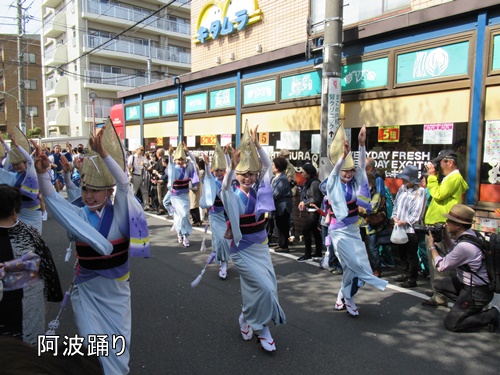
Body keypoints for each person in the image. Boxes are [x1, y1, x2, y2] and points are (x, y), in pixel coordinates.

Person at [34, 122, 150, 374]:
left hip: (117, 292)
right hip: (86, 292)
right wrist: (43, 175)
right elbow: (53, 200)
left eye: (96, 191)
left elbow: (124, 184)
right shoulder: (77, 215)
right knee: (94, 346)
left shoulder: (120, 212)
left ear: (108, 192)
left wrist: (105, 154)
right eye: (86, 189)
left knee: (118, 348)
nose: (88, 195)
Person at [220, 124, 286, 352]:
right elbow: (224, 187)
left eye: (252, 173)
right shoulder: (232, 193)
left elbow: (268, 165)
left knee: (264, 288)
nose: (248, 177)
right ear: (237, 175)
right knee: (264, 288)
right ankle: (262, 328)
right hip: (240, 250)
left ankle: (246, 317)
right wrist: (230, 166)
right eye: (243, 173)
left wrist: (258, 146)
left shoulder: (261, 191)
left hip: (261, 248)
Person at [326, 124, 388, 317]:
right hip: (338, 231)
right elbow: (335, 173)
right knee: (351, 264)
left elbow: (362, 167)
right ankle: (348, 298)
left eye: (350, 170)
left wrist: (361, 145)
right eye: (345, 170)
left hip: (353, 229)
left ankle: (342, 296)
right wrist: (343, 157)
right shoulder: (332, 183)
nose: (349, 173)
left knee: (356, 267)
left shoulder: (355, 183)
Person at [0, 184, 63, 345]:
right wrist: (49, 296)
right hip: (29, 296)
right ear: (15, 210)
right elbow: (46, 264)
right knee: (27, 349)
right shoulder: (29, 232)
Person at [427, 204, 500, 332]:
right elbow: (454, 249)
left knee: (452, 324)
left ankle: (491, 315)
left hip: (477, 291)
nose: (446, 223)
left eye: (449, 221)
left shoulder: (465, 246)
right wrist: (444, 236)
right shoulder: (472, 235)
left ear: (458, 225)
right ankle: (466, 307)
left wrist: (432, 246)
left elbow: (441, 266)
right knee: (438, 284)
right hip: (469, 285)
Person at [423, 149, 469, 307]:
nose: (438, 166)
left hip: (439, 224)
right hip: (437, 222)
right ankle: (438, 289)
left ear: (450, 162)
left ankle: (440, 296)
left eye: (440, 162)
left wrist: (431, 177)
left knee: (438, 260)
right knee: (435, 260)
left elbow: (438, 194)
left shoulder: (453, 178)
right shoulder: (451, 178)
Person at [0, 130, 43, 234]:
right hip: (19, 211)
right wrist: (3, 142)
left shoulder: (30, 174)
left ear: (24, 164)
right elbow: (10, 155)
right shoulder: (13, 176)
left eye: (18, 164)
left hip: (33, 211)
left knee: (35, 237)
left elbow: (30, 161)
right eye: (14, 165)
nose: (16, 167)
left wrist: (17, 146)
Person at [390, 165, 427, 288]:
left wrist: (405, 221)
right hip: (399, 226)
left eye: (406, 179)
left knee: (411, 254)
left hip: (411, 228)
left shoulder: (420, 191)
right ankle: (404, 273)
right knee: (402, 252)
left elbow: (418, 211)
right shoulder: (402, 189)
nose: (403, 181)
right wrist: (394, 216)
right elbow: (396, 204)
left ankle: (412, 278)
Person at [201, 140, 231, 279]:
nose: (219, 173)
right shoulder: (211, 179)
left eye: (221, 170)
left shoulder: (228, 179)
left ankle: (221, 257)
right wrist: (207, 165)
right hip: (215, 213)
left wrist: (227, 155)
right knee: (222, 239)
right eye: (216, 170)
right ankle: (223, 264)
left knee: (222, 240)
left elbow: (232, 169)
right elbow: (207, 175)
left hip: (227, 215)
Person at [168, 143, 199, 247]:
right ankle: (185, 235)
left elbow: (194, 162)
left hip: (185, 196)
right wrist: (170, 155)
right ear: (175, 160)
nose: (181, 162)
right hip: (175, 197)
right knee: (182, 215)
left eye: (183, 159)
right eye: (178, 160)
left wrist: (188, 151)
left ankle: (180, 233)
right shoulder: (173, 168)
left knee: (183, 216)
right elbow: (170, 166)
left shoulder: (188, 168)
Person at [296, 162, 323, 262]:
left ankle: (307, 254)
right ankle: (318, 252)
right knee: (314, 231)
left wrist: (305, 202)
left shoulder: (314, 183)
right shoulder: (308, 182)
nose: (301, 174)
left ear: (309, 173)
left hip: (315, 211)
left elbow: (316, 199)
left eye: (303, 172)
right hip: (311, 210)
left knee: (306, 231)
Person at [271, 157, 293, 252]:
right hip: (279, 205)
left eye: (273, 165)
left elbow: (276, 193)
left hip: (283, 206)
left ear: (277, 167)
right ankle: (281, 244)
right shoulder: (278, 178)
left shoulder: (282, 179)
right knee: (279, 225)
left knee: (283, 225)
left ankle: (284, 246)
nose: (272, 166)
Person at [127, 146, 150, 210]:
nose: (142, 151)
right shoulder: (132, 157)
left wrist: (144, 164)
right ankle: (131, 205)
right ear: (137, 150)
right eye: (141, 150)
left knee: (144, 191)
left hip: (142, 176)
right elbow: (128, 166)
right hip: (135, 175)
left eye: (143, 150)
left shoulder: (143, 158)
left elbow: (148, 165)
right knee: (134, 191)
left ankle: (146, 205)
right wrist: (129, 174)